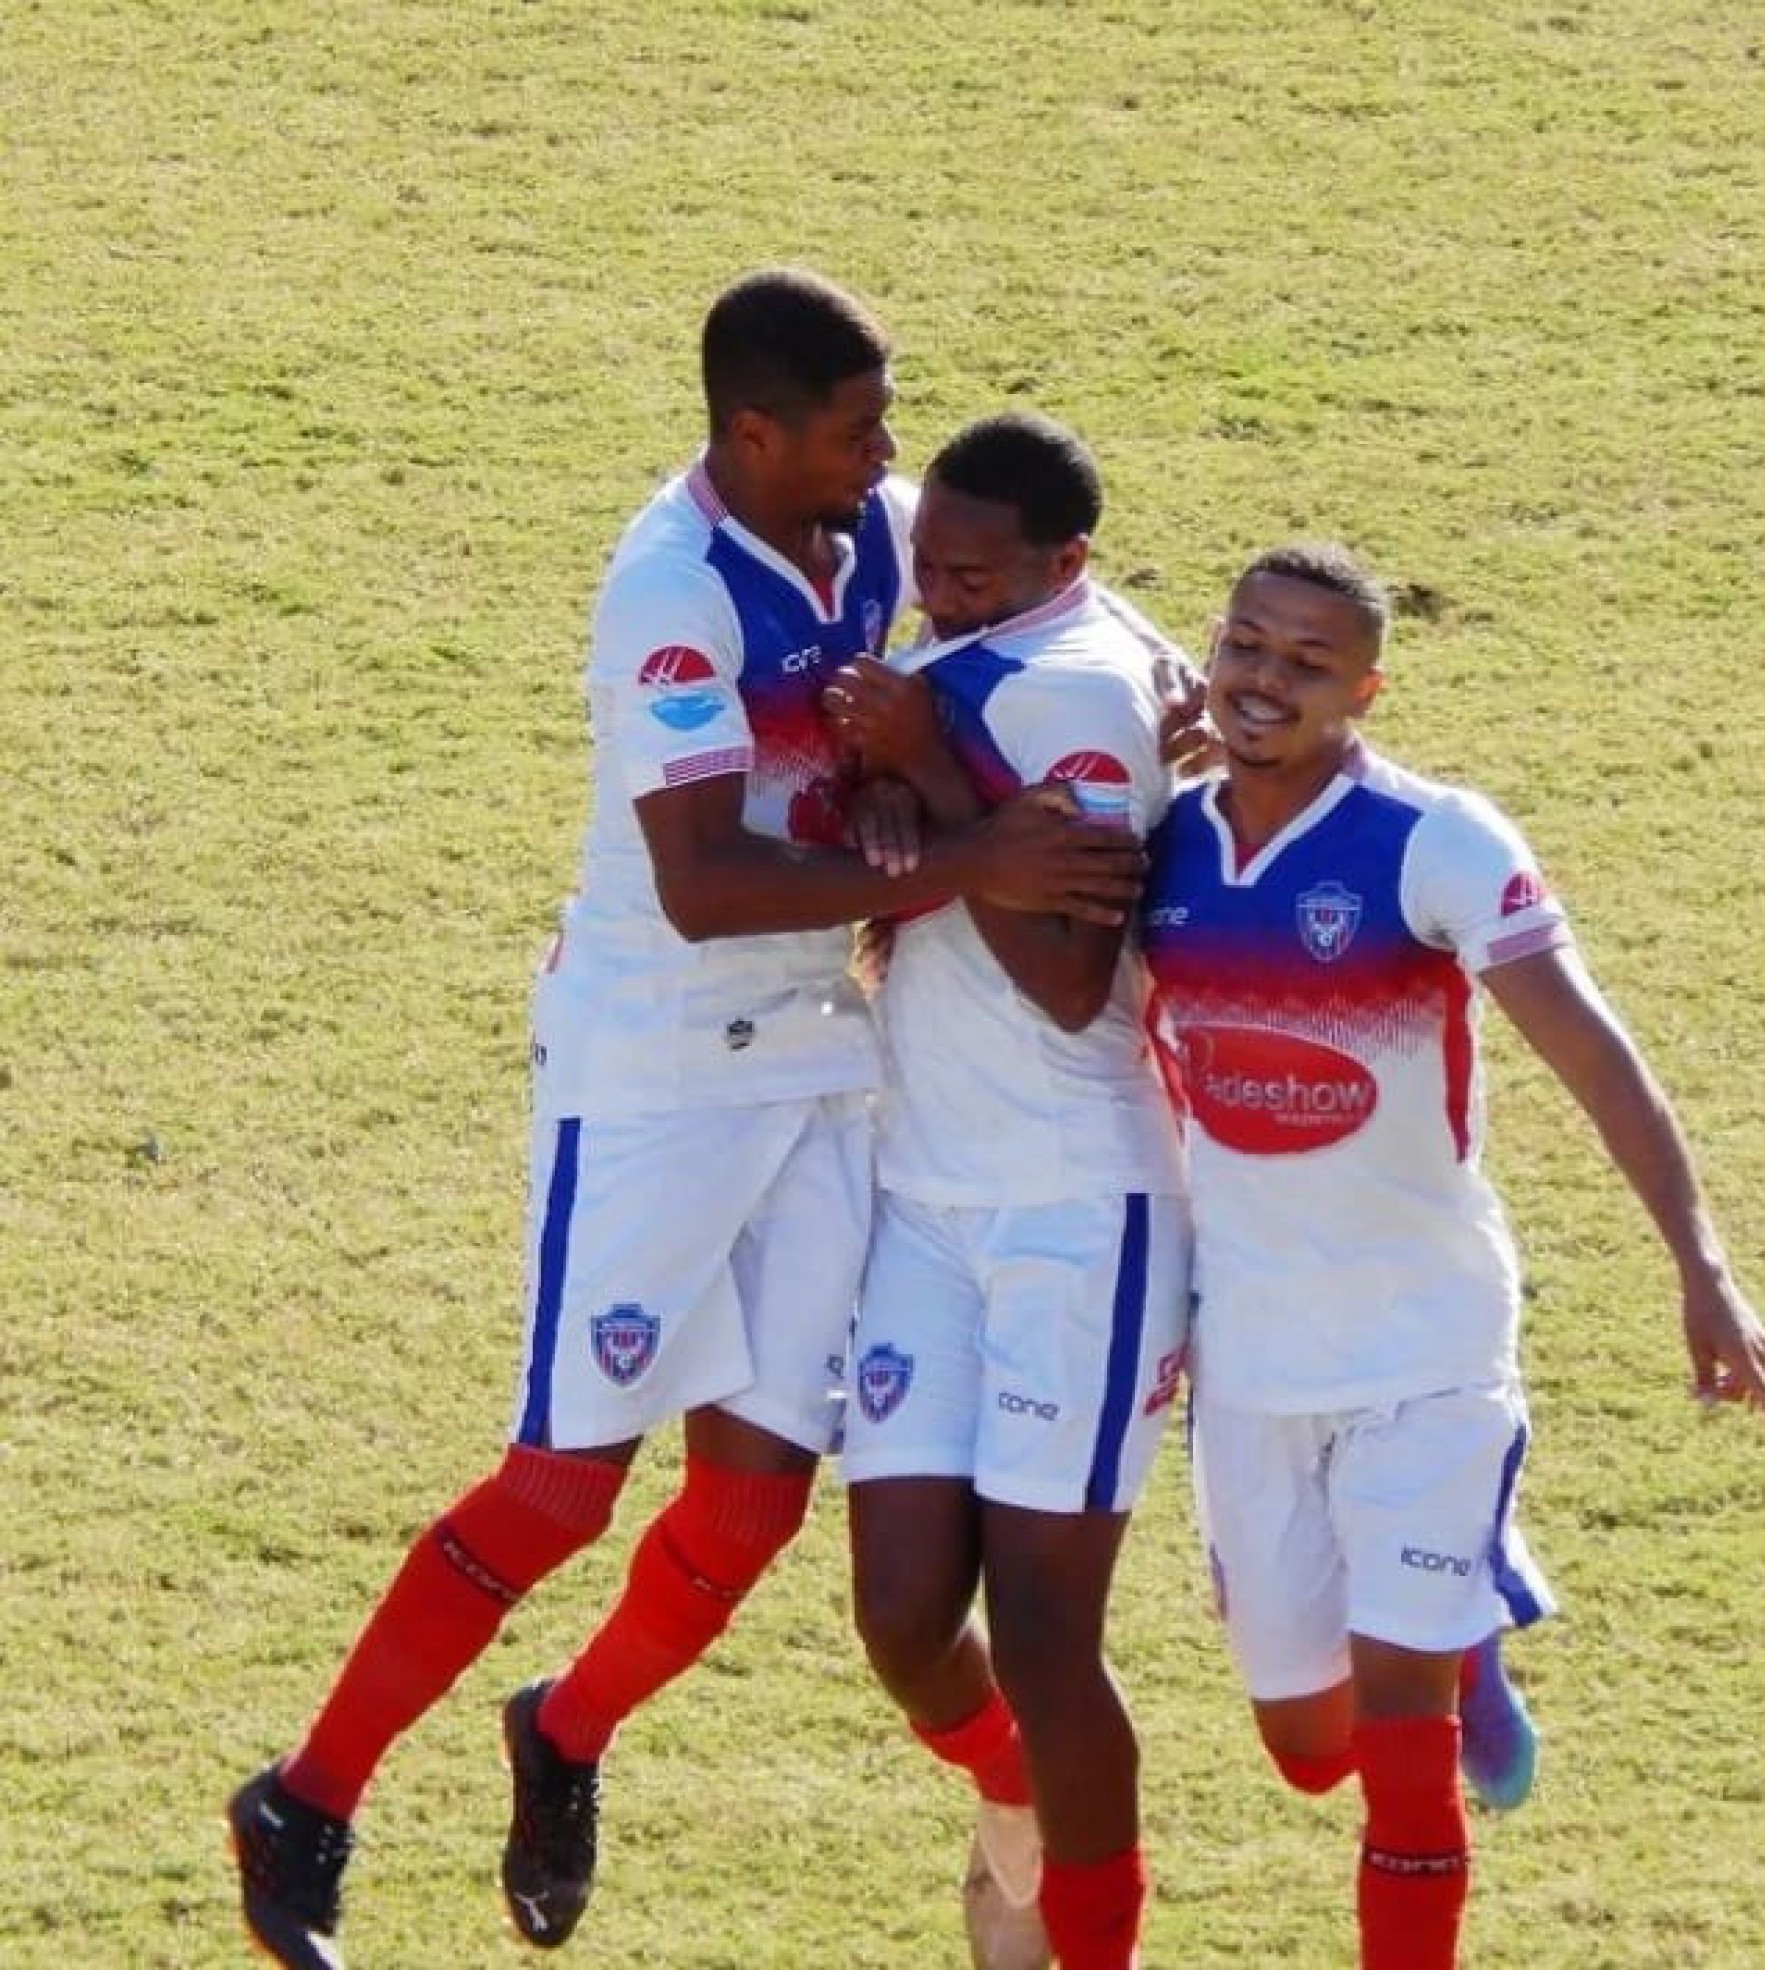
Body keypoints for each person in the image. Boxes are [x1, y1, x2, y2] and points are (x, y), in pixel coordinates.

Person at [225, 273, 1148, 1970]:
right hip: (656, 1069)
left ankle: (563, 1731)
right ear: (754, 431)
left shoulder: (869, 528)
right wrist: (972, 860)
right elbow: (705, 877)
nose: (889, 457)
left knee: (749, 1507)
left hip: (820, 1059)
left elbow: (998, 650)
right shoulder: (667, 586)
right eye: (861, 428)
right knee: (562, 1487)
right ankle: (306, 1795)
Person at [1136, 540, 1765, 1969]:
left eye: (1309, 664)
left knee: (1407, 1759)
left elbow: (1595, 1057)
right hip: (1255, 1354)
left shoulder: (1436, 841)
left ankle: (1439, 1646)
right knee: (1310, 1748)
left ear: (1364, 688)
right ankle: (1467, 1641)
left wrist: (1701, 1262)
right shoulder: (1162, 841)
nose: (1268, 681)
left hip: (1426, 1353)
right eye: (1247, 646)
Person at [822, 411, 1192, 1970]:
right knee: (903, 1614)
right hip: (923, 1195)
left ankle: (1088, 1943)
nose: (943, 596)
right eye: (931, 570)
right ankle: (1021, 1807)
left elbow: (1065, 974)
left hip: (1073, 1209)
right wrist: (913, 801)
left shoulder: (1085, 695)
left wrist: (928, 768)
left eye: (976, 575)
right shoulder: (980, 649)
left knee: (1046, 1636)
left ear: (1064, 563)